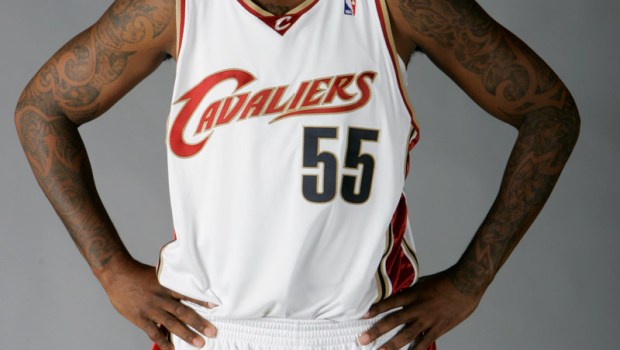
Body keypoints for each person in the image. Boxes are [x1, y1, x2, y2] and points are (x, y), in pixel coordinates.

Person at [14, 0, 579, 349]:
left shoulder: (397, 5)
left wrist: (470, 282)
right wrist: (111, 270)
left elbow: (549, 111)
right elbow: (41, 109)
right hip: (210, 332)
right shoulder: (175, 6)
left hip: (363, 332)